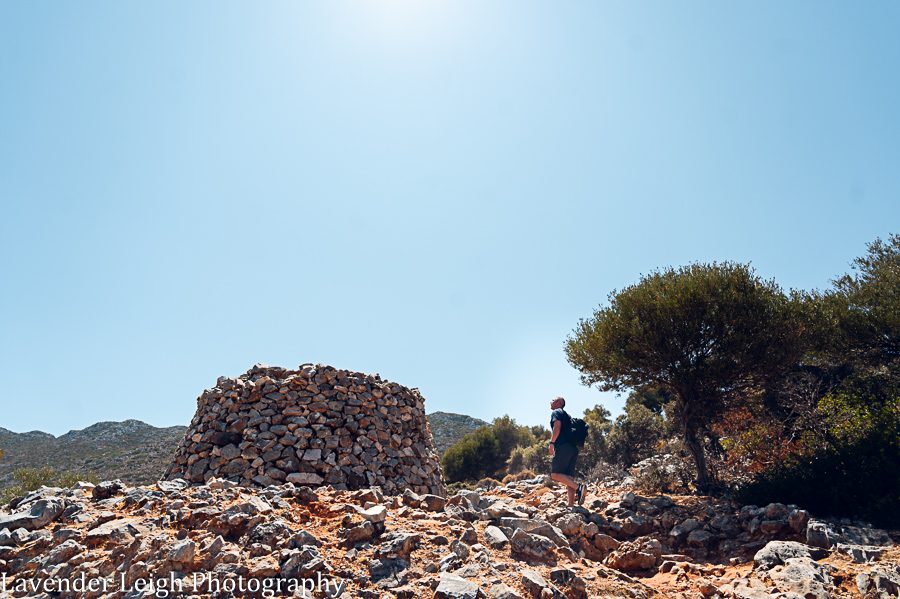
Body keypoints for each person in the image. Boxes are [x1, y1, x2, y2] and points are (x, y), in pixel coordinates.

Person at [548, 396, 585, 506]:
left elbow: (557, 426)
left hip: (563, 446)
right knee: (569, 477)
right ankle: (570, 505)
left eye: (553, 399)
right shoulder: (567, 416)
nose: (550, 401)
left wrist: (552, 443)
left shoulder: (557, 411)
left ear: (559, 402)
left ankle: (579, 488)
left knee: (555, 474)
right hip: (573, 448)